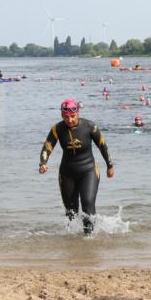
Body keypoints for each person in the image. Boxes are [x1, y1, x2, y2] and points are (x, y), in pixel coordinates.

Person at [38, 99, 115, 235]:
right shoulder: (57, 129)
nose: (70, 120)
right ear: (62, 116)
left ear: (77, 113)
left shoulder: (89, 126)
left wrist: (109, 165)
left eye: (73, 116)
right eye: (66, 117)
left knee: (88, 204)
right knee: (71, 211)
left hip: (89, 170)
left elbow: (102, 145)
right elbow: (47, 146)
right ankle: (72, 243)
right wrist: (43, 163)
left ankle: (89, 238)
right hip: (67, 173)